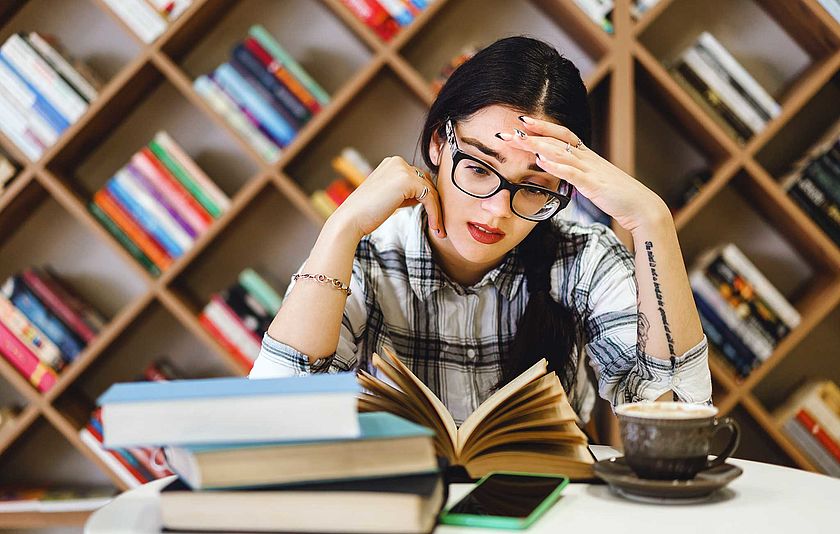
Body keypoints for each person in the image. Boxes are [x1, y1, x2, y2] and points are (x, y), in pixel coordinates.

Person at [249, 36, 711, 426]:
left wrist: (653, 222)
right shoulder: (368, 254)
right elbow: (273, 421)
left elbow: (677, 419)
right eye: (477, 167)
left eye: (534, 187)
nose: (495, 213)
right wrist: (341, 227)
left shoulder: (583, 258)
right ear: (437, 143)